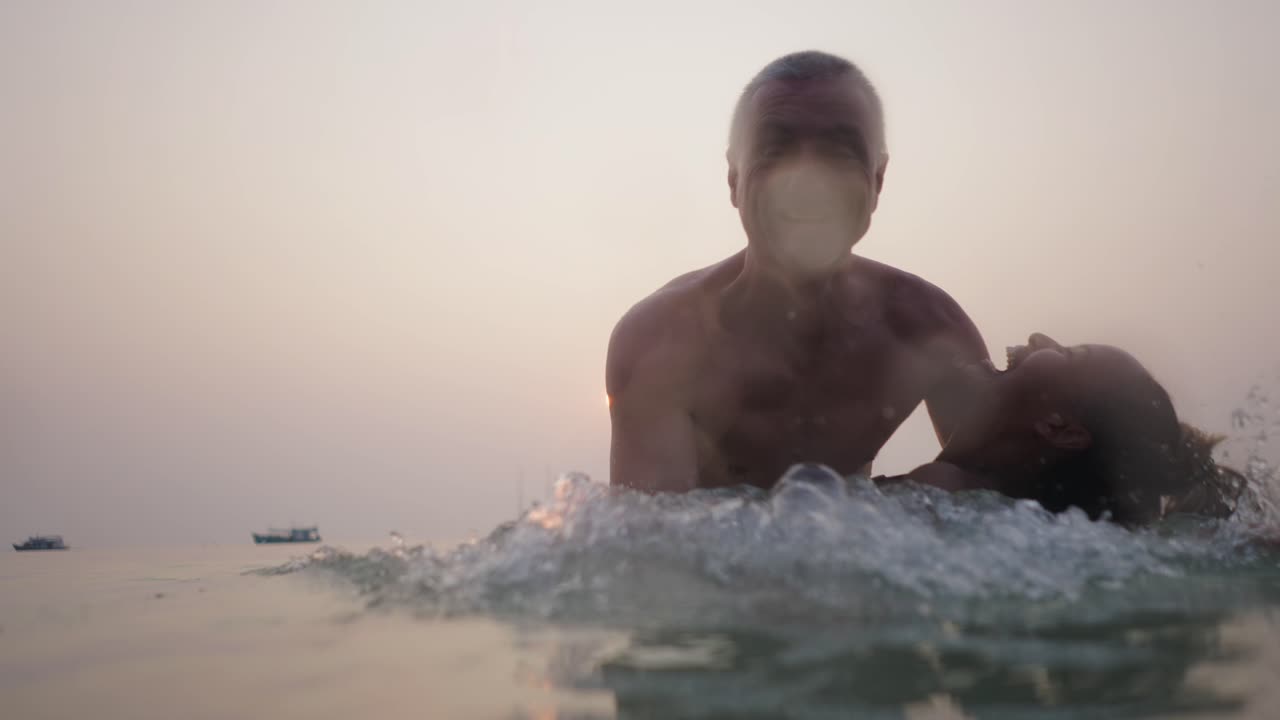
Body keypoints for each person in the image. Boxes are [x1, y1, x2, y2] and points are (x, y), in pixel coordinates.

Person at [606, 50, 988, 492]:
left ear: (878, 178)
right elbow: (652, 550)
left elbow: (1009, 506)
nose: (808, 178)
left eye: (840, 153)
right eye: (777, 149)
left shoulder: (928, 329)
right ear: (734, 177)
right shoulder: (661, 342)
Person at [880, 333, 1245, 524]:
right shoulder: (1009, 515)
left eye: (1069, 353)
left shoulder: (941, 487)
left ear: (1061, 429)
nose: (1040, 339)